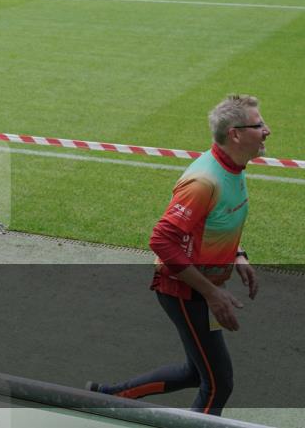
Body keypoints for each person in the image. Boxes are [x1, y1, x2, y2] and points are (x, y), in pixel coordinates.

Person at [90, 95, 266, 416]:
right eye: (259, 125)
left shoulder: (232, 166)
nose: (267, 131)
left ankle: (108, 398)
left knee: (196, 371)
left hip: (202, 289)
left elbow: (217, 219)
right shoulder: (204, 181)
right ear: (236, 134)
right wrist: (212, 293)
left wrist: (237, 254)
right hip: (186, 291)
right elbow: (161, 240)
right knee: (217, 384)